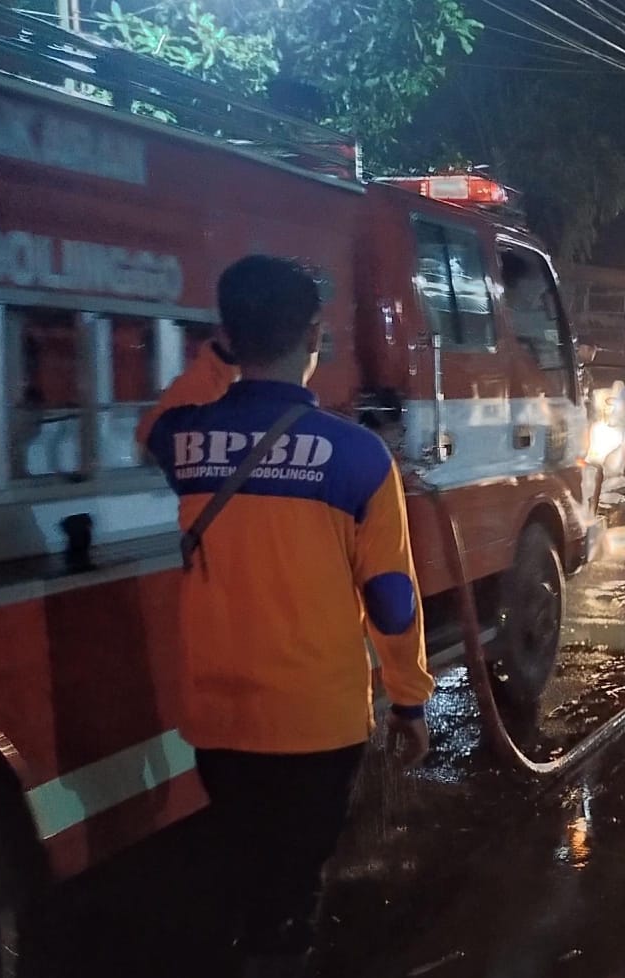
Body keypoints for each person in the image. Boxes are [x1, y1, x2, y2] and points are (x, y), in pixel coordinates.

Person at [136, 256, 434, 978]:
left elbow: (153, 424)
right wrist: (410, 699)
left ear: (231, 337)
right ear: (313, 337)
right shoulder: (358, 456)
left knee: (245, 869)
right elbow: (391, 596)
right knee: (291, 890)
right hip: (316, 725)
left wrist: (218, 359)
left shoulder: (185, 440)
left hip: (220, 719)